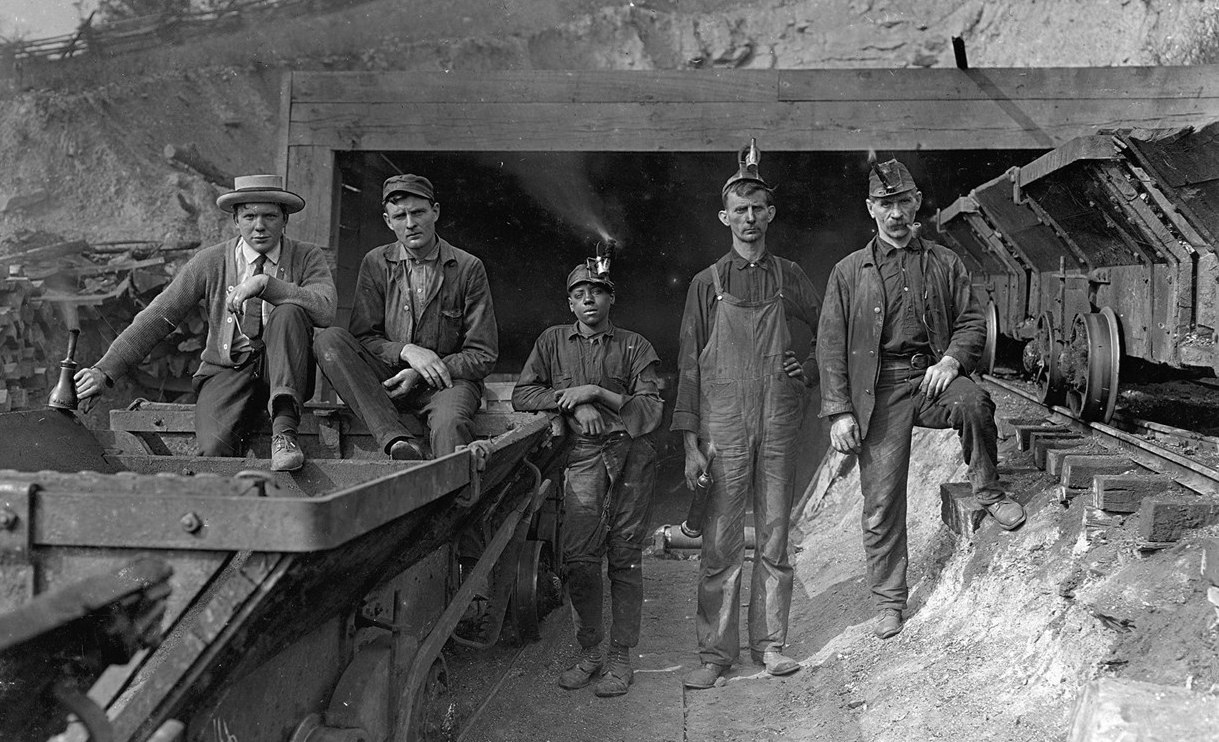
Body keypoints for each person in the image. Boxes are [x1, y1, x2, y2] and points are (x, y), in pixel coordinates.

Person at [817, 156, 1027, 641]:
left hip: (931, 378)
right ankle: (890, 601)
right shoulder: (849, 273)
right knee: (881, 501)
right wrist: (840, 411)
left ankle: (989, 493)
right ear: (871, 208)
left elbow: (973, 322)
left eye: (904, 202)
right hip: (878, 391)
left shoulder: (944, 262)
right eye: (886, 204)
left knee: (974, 402)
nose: (896, 213)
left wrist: (952, 361)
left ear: (916, 204)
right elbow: (829, 347)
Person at [674, 143, 821, 690]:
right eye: (740, 209)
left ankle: (772, 645)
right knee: (720, 541)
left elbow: (830, 330)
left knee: (777, 532)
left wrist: (806, 369)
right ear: (725, 217)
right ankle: (715, 654)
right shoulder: (706, 284)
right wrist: (690, 444)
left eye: (759, 207)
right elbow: (689, 367)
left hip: (778, 420)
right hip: (724, 426)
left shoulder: (789, 275)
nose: (750, 218)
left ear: (771, 213)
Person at [74, 174, 336, 472]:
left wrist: (266, 284)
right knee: (212, 452)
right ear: (235, 220)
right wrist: (104, 371)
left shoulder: (307, 256)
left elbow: (325, 310)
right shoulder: (210, 262)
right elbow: (159, 316)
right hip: (227, 370)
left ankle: (285, 434)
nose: (259, 226)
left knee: (289, 312)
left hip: (285, 369)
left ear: (285, 219)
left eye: (270, 216)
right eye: (249, 216)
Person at [512, 262, 662, 697]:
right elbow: (524, 393)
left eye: (597, 291)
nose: (589, 299)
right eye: (580, 294)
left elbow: (650, 411)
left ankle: (620, 657)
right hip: (581, 458)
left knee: (624, 557)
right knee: (579, 558)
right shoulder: (552, 341)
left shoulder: (635, 346)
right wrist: (573, 404)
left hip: (631, 457)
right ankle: (591, 651)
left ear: (611, 298)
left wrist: (595, 392)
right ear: (570, 302)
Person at [313, 174, 497, 460]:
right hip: (388, 378)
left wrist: (423, 370)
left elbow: (482, 354)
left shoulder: (467, 267)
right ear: (388, 221)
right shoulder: (376, 262)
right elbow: (364, 338)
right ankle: (397, 440)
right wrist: (408, 352)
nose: (410, 223)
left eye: (418, 212)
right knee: (329, 340)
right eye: (400, 216)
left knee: (451, 424)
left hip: (447, 383)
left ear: (435, 211)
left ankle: (452, 501)